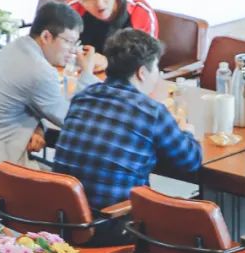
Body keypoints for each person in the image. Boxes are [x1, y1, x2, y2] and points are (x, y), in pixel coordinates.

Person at [53, 29, 202, 218]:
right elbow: (190, 161)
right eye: (156, 68)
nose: (157, 75)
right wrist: (187, 132)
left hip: (63, 218)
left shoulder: (83, 97)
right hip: (112, 223)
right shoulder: (151, 111)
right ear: (142, 73)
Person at [0, 0, 98, 183]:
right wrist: (87, 74)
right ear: (46, 36)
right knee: (71, 187)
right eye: (69, 42)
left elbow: (26, 100)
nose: (74, 51)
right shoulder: (39, 70)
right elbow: (71, 120)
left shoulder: (15, 47)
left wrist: (38, 126)